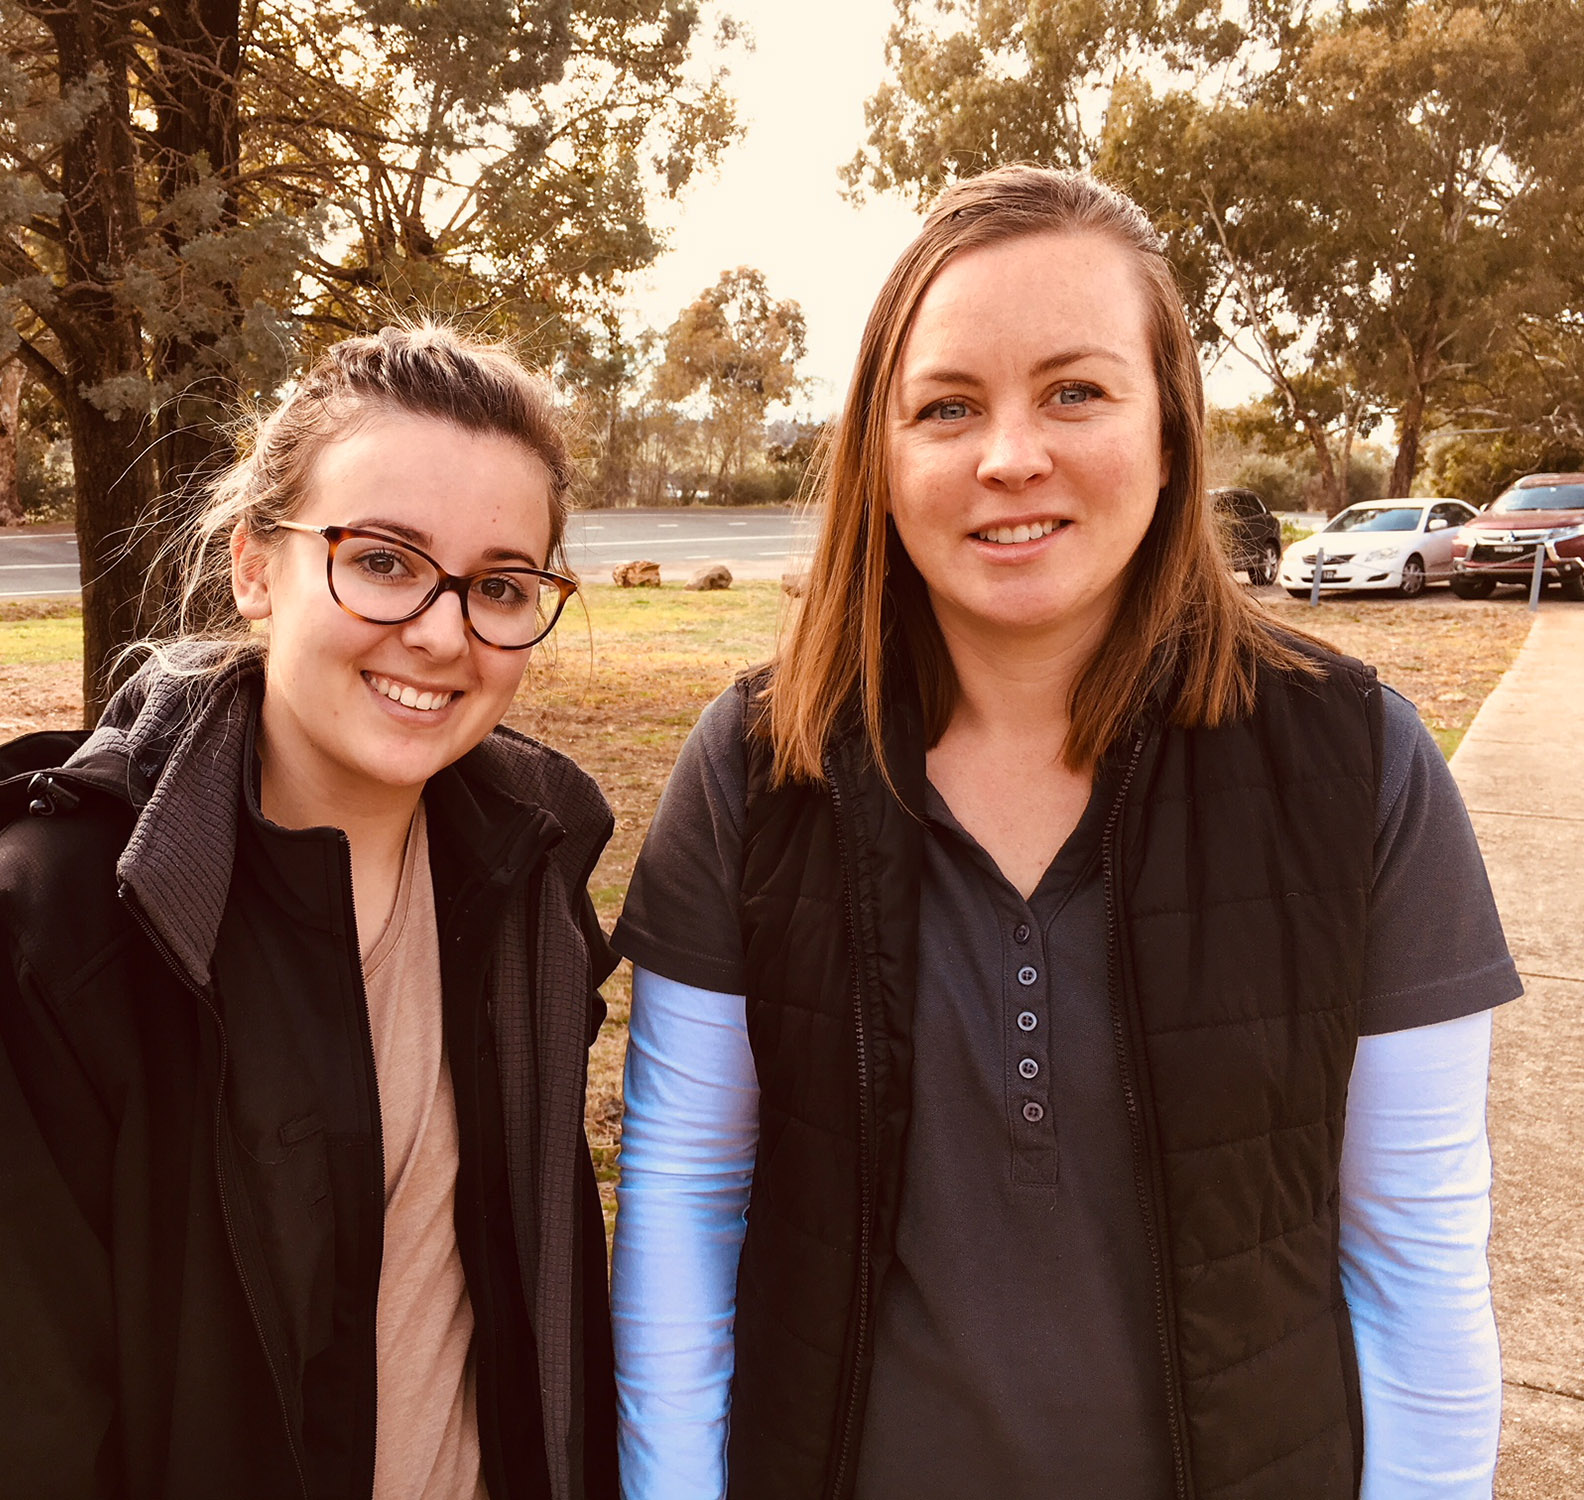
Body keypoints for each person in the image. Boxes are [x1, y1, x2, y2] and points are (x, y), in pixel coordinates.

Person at [609, 167, 1516, 1500]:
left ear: (1171, 432)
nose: (1009, 456)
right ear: (882, 452)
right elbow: (687, 1200)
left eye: (1076, 391)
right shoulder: (756, 768)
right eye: (948, 406)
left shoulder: (1359, 763)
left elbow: (1414, 1258)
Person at [0, 325, 620, 1500]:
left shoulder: (528, 873)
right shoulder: (55, 930)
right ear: (255, 565)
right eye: (382, 560)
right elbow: (0, 1442)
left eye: (500, 586)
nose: (442, 631)